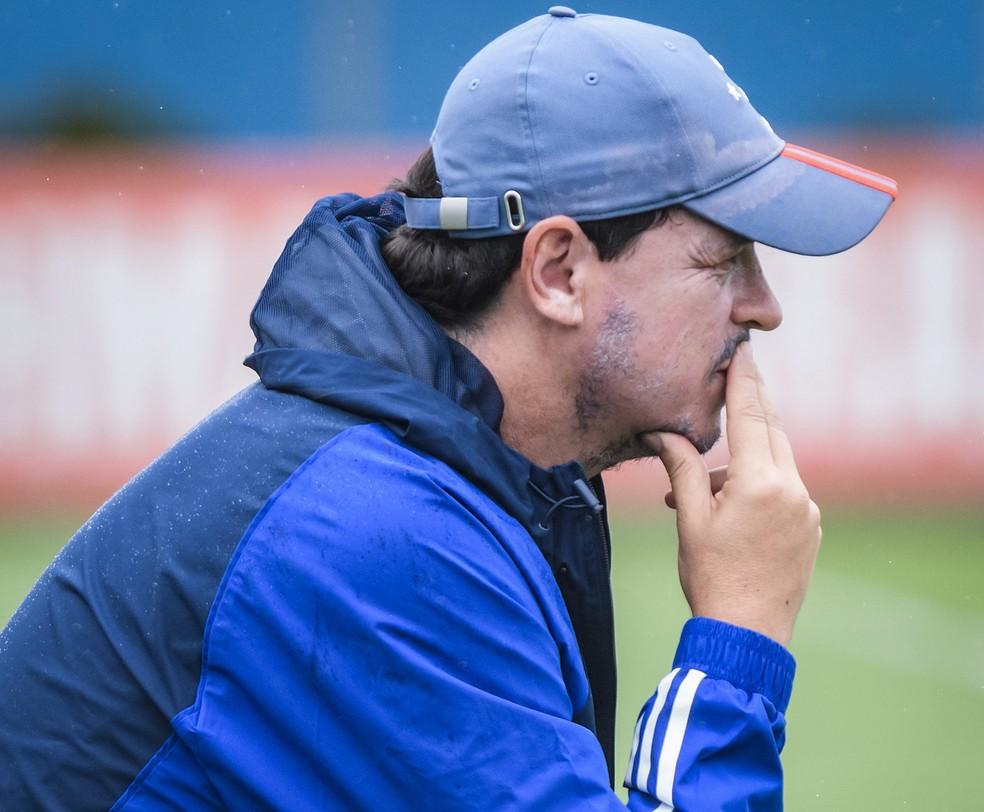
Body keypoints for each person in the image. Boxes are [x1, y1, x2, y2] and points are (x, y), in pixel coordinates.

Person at [0, 8, 896, 811]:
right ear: (557, 272)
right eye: (723, 260)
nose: (763, 305)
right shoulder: (376, 534)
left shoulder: (438, 476)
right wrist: (738, 639)